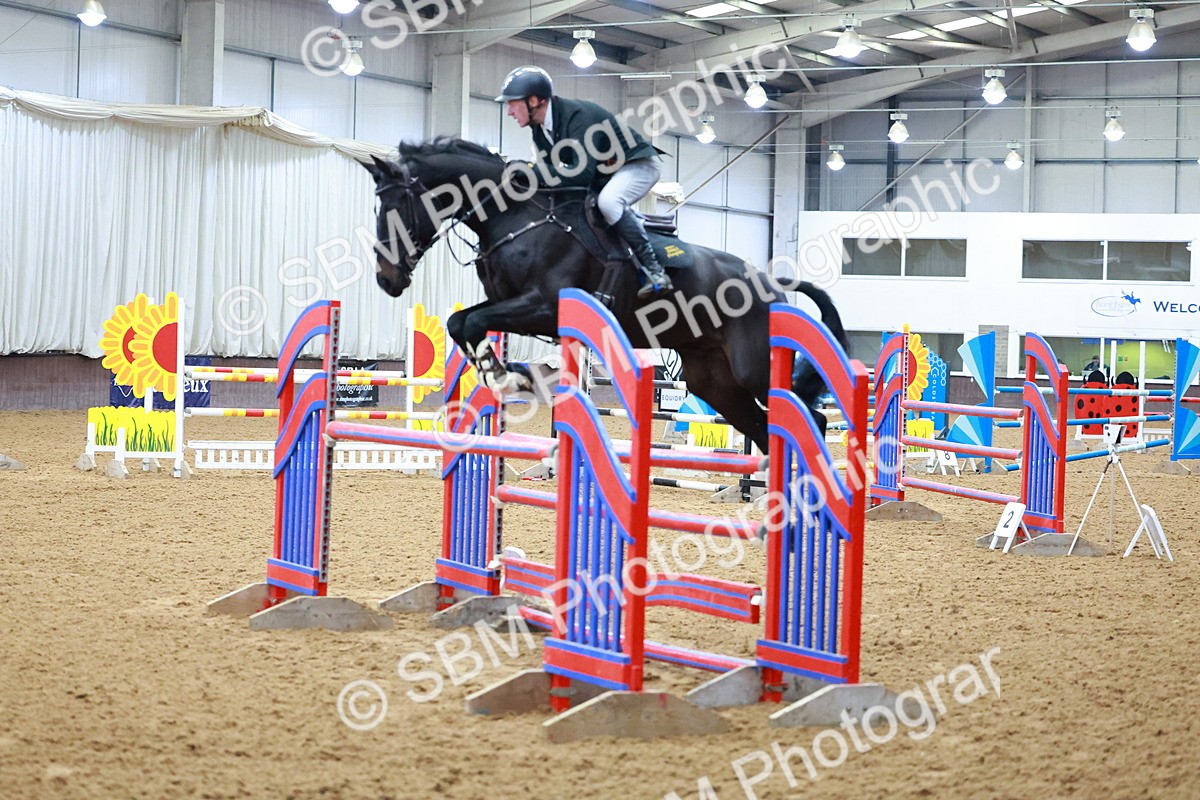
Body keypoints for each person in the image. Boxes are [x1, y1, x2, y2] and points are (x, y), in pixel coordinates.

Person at [495, 65, 673, 300]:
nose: (509, 112)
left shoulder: (578, 117)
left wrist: (528, 170)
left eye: (512, 103)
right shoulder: (540, 131)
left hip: (636, 165)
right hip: (605, 174)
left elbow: (580, 175)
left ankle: (654, 269)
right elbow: (554, 177)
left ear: (535, 100)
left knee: (609, 202)